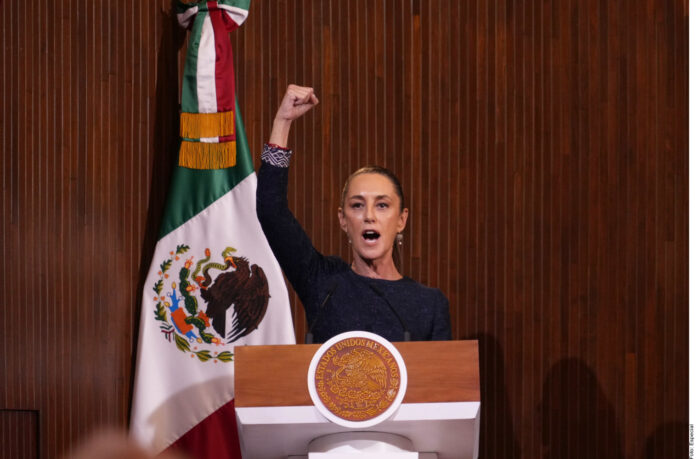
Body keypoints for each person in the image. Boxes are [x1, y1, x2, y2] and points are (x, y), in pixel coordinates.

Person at [256, 84, 452, 343]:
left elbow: (443, 380)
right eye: (357, 205)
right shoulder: (323, 283)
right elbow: (271, 210)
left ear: (401, 220)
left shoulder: (429, 304)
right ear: (343, 220)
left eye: (382, 205)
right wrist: (282, 122)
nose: (369, 215)